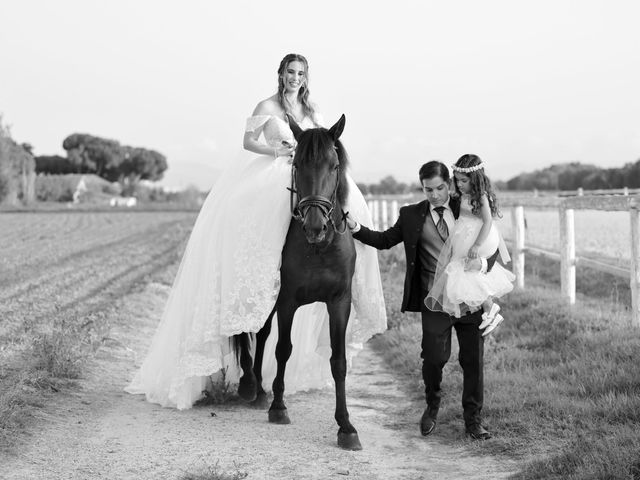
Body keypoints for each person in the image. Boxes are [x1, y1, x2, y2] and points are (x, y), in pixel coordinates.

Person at [125, 53, 387, 410]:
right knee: (251, 214)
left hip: (308, 175)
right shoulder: (267, 104)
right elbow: (248, 141)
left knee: (350, 201)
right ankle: (254, 278)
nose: (295, 78)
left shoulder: (314, 110)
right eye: (290, 72)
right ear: (280, 74)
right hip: (275, 169)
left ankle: (353, 276)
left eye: (300, 73)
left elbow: (324, 143)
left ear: (306, 77)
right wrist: (277, 149)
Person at [347, 161, 497, 440]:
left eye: (440, 188)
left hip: (469, 299)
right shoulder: (411, 215)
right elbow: (384, 240)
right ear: (422, 188)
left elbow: (492, 244)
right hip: (434, 301)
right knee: (433, 358)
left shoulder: (465, 205)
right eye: (429, 190)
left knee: (473, 360)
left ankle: (473, 421)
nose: (435, 195)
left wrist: (484, 266)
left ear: (449, 184)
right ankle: (432, 405)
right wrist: (355, 227)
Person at [425, 154, 514, 336]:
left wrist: (476, 245)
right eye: (456, 181)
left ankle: (490, 309)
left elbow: (488, 221)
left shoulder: (481, 196)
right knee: (468, 273)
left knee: (466, 270)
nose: (459, 184)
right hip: (464, 235)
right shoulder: (465, 194)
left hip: (479, 237)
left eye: (463, 181)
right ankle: (490, 310)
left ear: (475, 179)